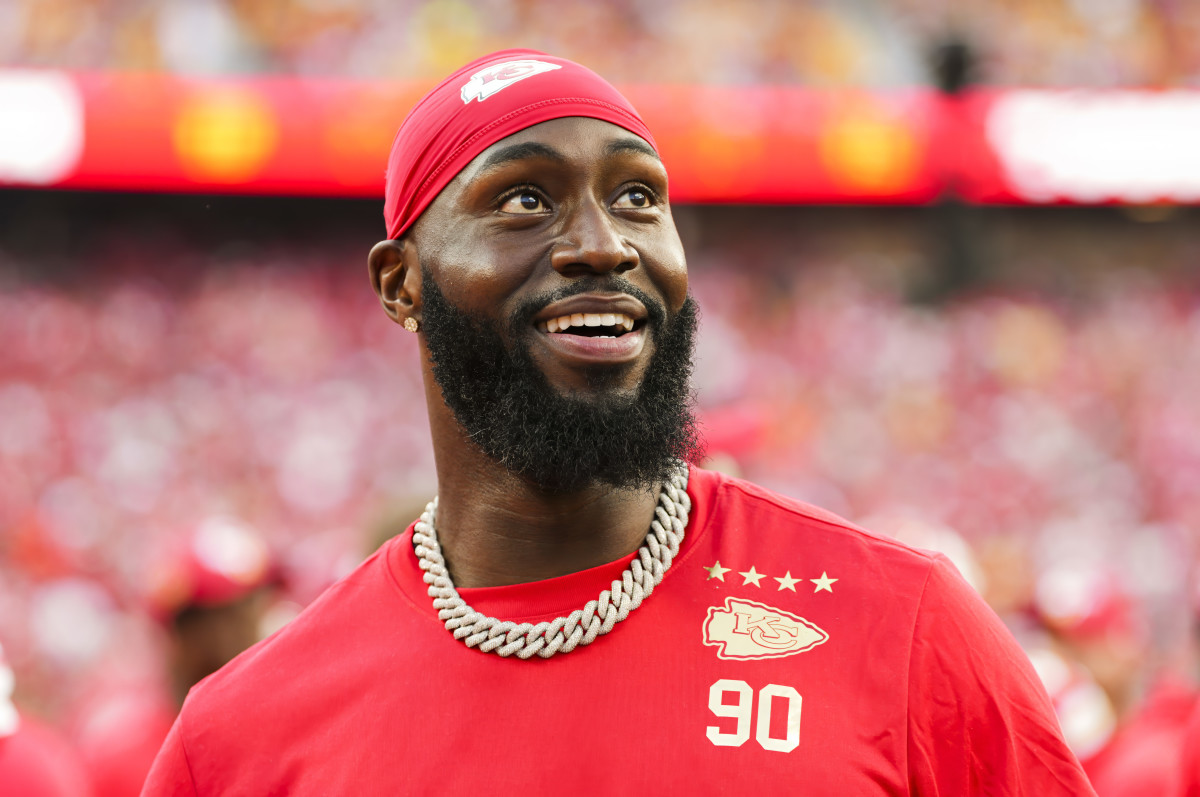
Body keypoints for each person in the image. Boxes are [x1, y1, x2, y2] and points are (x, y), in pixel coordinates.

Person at [143, 49, 1096, 794]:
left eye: (639, 196)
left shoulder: (902, 626)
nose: (603, 244)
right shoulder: (243, 736)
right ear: (402, 284)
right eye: (524, 199)